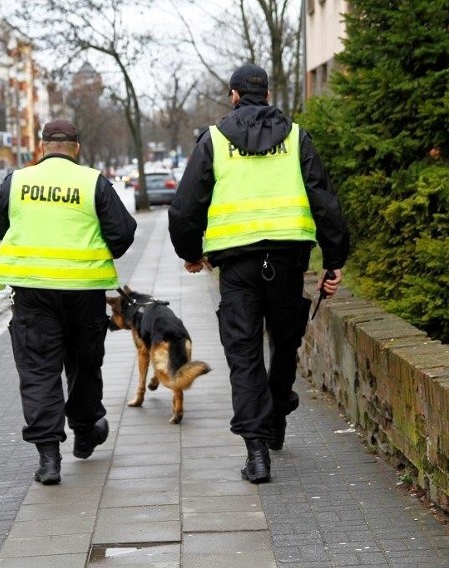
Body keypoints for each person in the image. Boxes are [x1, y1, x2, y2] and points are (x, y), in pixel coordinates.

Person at [168, 63, 350, 484]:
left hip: (237, 268)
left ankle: (256, 453)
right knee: (285, 343)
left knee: (244, 355)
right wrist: (335, 259)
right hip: (288, 261)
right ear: (267, 94)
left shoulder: (213, 140)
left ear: (234, 96)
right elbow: (325, 200)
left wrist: (192, 253)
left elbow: (185, 207)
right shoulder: (297, 137)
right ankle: (277, 420)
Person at [0, 119, 136, 485]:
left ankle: (48, 459)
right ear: (76, 147)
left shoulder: (18, 181)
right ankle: (85, 433)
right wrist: (95, 250)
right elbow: (123, 232)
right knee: (84, 366)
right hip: (83, 293)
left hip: (33, 294)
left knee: (39, 371)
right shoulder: (92, 182)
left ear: (41, 147)